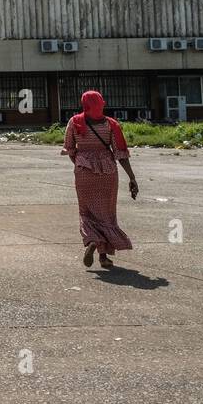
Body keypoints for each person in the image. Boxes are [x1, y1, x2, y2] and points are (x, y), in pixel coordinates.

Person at [63, 90, 139, 270]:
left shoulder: (75, 122)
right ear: (101, 103)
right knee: (106, 214)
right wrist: (132, 178)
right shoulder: (111, 124)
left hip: (84, 172)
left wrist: (81, 163)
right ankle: (104, 258)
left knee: (87, 212)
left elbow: (69, 148)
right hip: (108, 173)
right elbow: (121, 153)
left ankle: (92, 240)